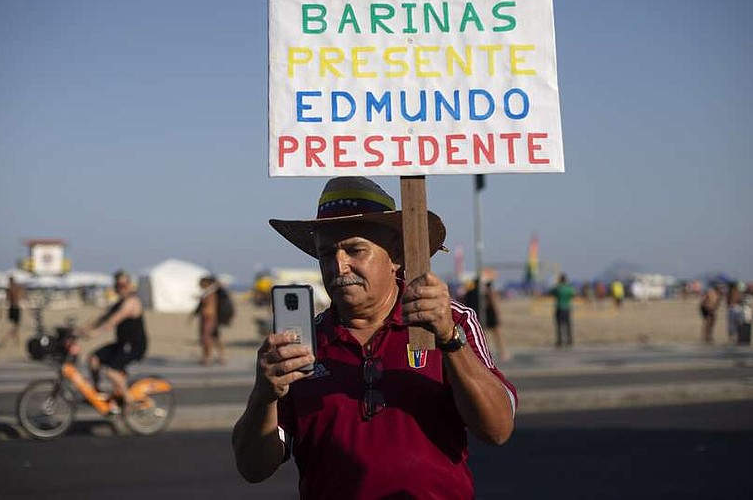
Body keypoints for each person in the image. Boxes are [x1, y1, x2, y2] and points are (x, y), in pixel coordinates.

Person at [232, 176, 517, 499]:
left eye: (355, 250)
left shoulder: (450, 321)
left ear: (396, 254)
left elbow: (497, 429)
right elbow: (252, 468)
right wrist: (263, 396)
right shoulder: (299, 346)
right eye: (327, 254)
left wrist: (450, 341)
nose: (339, 266)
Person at [80, 270, 147, 411]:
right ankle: (97, 391)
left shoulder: (132, 302)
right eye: (118, 285)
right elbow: (102, 317)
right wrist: (83, 329)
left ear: (130, 285)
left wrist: (95, 333)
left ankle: (129, 401)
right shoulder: (119, 302)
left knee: (112, 371)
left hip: (134, 345)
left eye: (124, 285)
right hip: (121, 344)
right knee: (93, 359)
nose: (121, 288)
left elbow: (114, 320)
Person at [463, 279, 510, 362]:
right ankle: (497, 352)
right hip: (484, 313)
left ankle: (500, 352)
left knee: (492, 334)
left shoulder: (478, 292)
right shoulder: (481, 292)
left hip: (487, 313)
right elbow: (494, 302)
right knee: (488, 334)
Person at [187, 275, 227, 365]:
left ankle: (208, 358)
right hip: (206, 317)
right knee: (212, 338)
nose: (199, 285)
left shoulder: (212, 291)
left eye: (201, 283)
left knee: (207, 338)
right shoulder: (208, 291)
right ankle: (214, 356)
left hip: (210, 318)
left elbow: (208, 301)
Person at [0, 276, 25, 348]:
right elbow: (21, 298)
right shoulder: (17, 288)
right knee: (16, 327)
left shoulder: (8, 289)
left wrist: (0, 311)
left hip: (11, 309)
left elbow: (4, 301)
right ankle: (4, 341)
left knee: (15, 326)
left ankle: (17, 342)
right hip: (16, 309)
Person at [550, 273, 575, 348]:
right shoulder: (569, 288)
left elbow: (551, 292)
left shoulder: (558, 288)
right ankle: (569, 340)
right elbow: (573, 294)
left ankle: (560, 340)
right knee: (568, 325)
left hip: (559, 307)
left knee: (559, 325)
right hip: (567, 307)